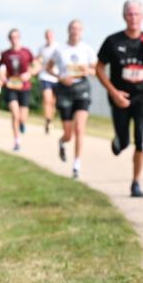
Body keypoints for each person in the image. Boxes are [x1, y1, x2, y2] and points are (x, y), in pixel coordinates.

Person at [96, 0, 143, 198]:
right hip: (119, 96)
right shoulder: (113, 41)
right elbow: (99, 67)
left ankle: (136, 182)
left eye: (137, 14)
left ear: (142, 17)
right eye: (130, 14)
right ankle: (120, 139)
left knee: (141, 139)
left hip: (142, 97)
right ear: (124, 16)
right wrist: (113, 92)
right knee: (125, 142)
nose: (133, 18)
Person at [48, 19, 96, 179]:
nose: (75, 31)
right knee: (68, 133)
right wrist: (60, 77)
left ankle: (76, 164)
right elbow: (48, 68)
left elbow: (97, 70)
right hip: (64, 91)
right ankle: (62, 142)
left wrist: (87, 70)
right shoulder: (59, 50)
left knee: (80, 128)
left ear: (82, 31)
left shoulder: (87, 49)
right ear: (68, 30)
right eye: (72, 28)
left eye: (78, 29)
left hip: (82, 89)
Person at [0, 28, 39, 152]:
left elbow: (36, 66)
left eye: (16, 37)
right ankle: (17, 141)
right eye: (12, 37)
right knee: (14, 114)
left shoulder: (26, 52)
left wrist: (29, 73)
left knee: (22, 117)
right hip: (11, 87)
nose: (14, 39)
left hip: (24, 87)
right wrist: (3, 78)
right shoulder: (5, 54)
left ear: (19, 38)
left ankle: (22, 123)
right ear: (9, 39)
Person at [37, 29, 59, 134]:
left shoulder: (58, 47)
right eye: (47, 35)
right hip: (45, 76)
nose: (49, 37)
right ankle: (48, 120)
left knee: (53, 102)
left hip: (56, 76)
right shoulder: (42, 48)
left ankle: (50, 120)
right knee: (47, 99)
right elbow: (38, 60)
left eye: (50, 35)